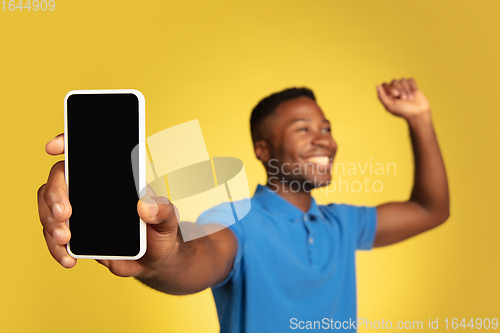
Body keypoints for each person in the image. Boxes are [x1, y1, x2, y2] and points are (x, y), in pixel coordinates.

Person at [38, 78, 449, 332]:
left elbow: (432, 210)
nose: (323, 138)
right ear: (262, 148)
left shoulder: (343, 223)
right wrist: (159, 256)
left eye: (326, 128)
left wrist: (420, 118)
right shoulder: (236, 220)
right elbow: (197, 257)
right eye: (303, 128)